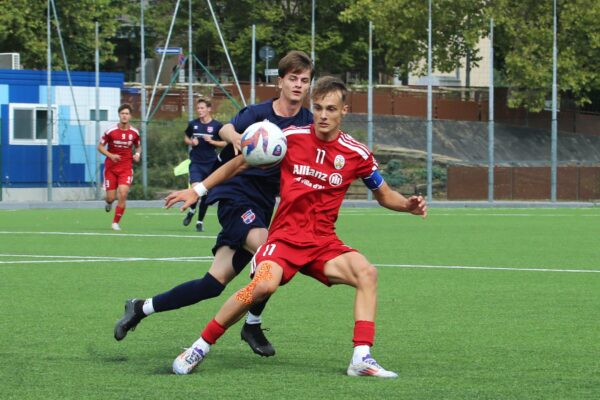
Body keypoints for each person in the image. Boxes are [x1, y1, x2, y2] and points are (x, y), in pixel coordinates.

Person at [164, 76, 427, 378]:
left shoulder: (357, 154)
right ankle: (200, 346)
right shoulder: (289, 137)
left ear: (344, 111)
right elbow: (239, 163)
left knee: (367, 273)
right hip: (284, 241)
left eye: (330, 109)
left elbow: (384, 194)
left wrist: (407, 205)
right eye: (318, 108)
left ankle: (361, 358)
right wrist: (197, 191)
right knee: (263, 285)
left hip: (322, 244)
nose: (323, 115)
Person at [113, 51, 314, 358]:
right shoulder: (259, 113)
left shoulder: (308, 123)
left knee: (212, 283)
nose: (298, 85)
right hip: (236, 195)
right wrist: (234, 139)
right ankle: (252, 324)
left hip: (263, 204)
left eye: (304, 80)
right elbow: (225, 129)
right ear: (280, 82)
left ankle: (141, 307)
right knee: (270, 250)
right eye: (292, 79)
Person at [181, 99, 226, 232]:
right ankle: (192, 209)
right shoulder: (193, 124)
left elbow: (225, 143)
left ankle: (199, 222)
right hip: (196, 163)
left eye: (202, 108)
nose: (199, 110)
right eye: (198, 108)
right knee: (196, 189)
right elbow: (185, 137)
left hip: (211, 164)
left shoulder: (217, 126)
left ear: (209, 109)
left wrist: (213, 142)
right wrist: (191, 142)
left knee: (205, 194)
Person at [97, 103, 141, 231]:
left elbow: (138, 145)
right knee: (111, 198)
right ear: (119, 115)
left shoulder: (134, 132)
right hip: (111, 168)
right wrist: (111, 155)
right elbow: (99, 147)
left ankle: (115, 223)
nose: (124, 116)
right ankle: (108, 203)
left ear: (130, 116)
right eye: (122, 113)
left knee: (123, 193)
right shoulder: (110, 131)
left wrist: (137, 154)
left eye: (127, 114)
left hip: (126, 168)